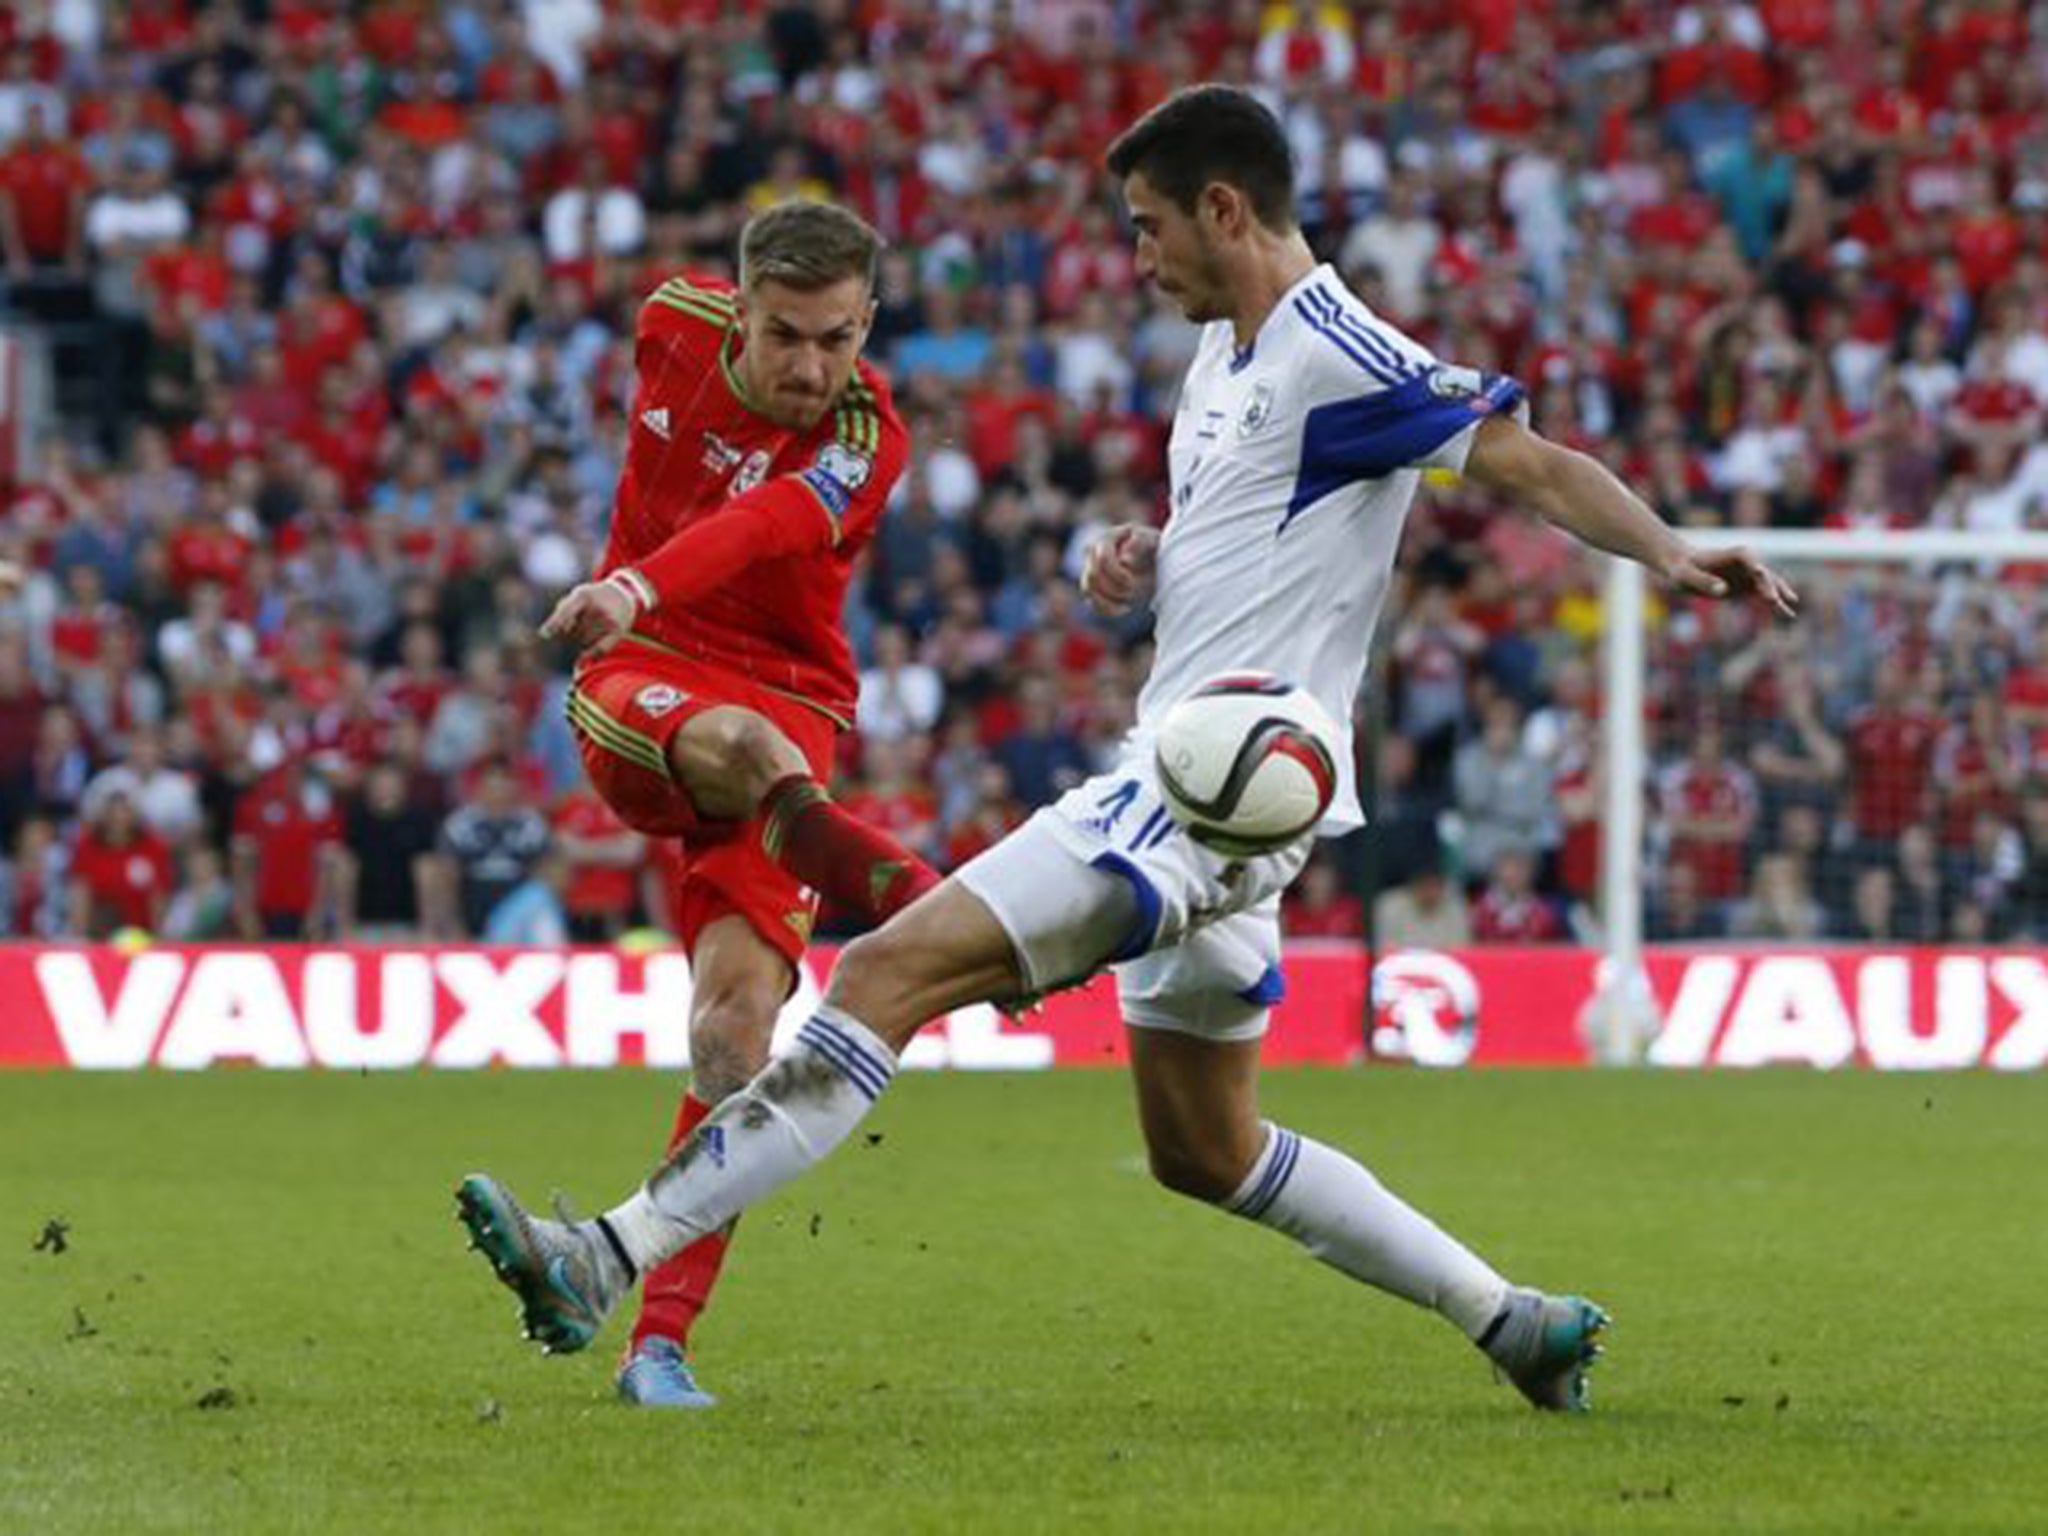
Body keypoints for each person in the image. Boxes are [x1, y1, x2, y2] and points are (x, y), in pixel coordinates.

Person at [458, 86, 1796, 1414]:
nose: (1140, 256)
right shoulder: (1225, 363)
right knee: (1205, 1149)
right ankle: (1515, 1323)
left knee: (881, 973)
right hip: (1229, 786)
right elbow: (1258, 537)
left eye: (1152, 226)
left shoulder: (1343, 351)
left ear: (1226, 208)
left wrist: (1669, 547)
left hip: (1214, 779)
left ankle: (603, 1254)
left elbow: (1524, 459)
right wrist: (1149, 559)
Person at [532, 199, 944, 1408]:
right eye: (784, 337)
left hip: (783, 693)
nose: (812, 367)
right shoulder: (668, 320)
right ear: (739, 306)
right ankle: (918, 900)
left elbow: (766, 520)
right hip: (639, 673)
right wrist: (633, 599)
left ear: (866, 320)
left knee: (731, 1037)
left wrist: (631, 578)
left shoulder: (871, 436)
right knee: (742, 746)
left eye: (836, 338)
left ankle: (653, 1340)